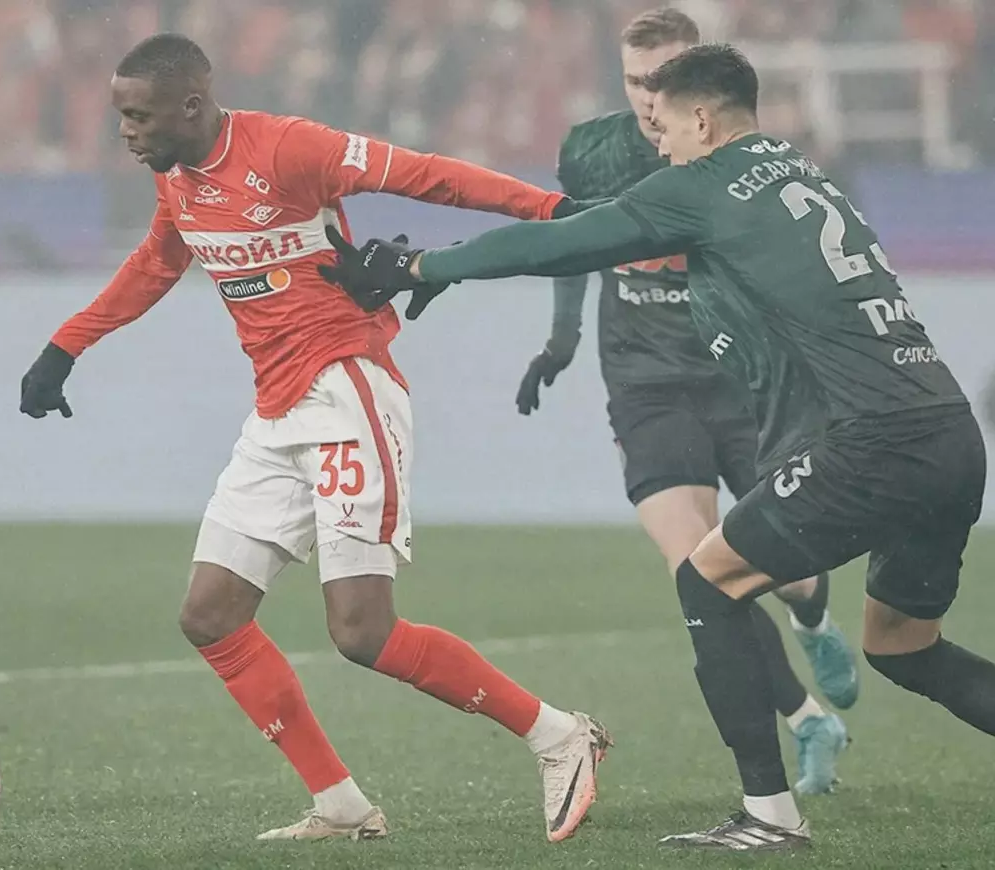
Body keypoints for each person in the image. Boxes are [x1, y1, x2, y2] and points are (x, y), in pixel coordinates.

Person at [320, 43, 993, 852]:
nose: (661, 146)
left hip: (873, 442)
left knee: (707, 580)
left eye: (667, 129)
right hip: (949, 432)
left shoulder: (704, 183)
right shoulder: (798, 171)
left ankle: (769, 816)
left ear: (702, 119)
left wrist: (426, 264)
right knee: (903, 647)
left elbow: (565, 244)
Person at [18, 33, 610, 844]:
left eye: (138, 116)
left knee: (363, 633)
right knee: (211, 615)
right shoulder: (177, 178)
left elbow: (426, 173)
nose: (125, 131)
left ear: (190, 106)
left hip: (345, 391)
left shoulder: (288, 149)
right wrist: (65, 347)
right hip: (276, 415)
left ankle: (559, 735)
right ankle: (340, 804)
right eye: (121, 115)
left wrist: (549, 210)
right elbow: (156, 263)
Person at [517, 7, 855, 795]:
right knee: (699, 570)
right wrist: (562, 340)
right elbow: (573, 242)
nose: (647, 97)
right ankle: (808, 719)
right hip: (646, 386)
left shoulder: (739, 159)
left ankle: (811, 615)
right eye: (635, 80)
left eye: (662, 80)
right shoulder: (593, 151)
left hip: (742, 382)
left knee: (789, 566)